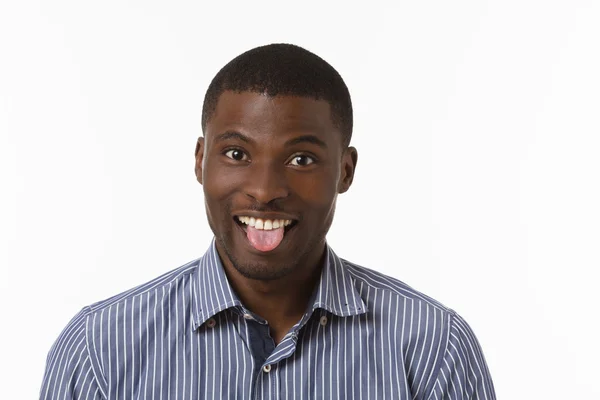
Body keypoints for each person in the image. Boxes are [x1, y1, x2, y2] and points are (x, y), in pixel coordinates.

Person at [40, 43, 496, 399]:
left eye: (301, 158)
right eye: (236, 154)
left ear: (345, 170)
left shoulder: (435, 349)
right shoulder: (97, 351)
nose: (263, 189)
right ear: (201, 161)